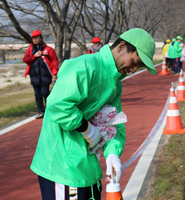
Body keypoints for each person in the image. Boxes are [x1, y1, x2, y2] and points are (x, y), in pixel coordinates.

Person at [30, 28, 156, 200]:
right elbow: (57, 105)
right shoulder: (85, 66)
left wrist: (112, 153)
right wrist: (86, 128)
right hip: (63, 167)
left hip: (88, 168)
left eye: (139, 67)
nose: (133, 70)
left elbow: (114, 123)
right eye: (134, 62)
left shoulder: (115, 84)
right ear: (121, 46)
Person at [23, 30, 59, 119]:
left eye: (36, 37)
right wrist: (34, 56)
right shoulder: (30, 50)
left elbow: (55, 61)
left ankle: (50, 109)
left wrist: (55, 74)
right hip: (34, 76)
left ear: (41, 38)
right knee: (37, 95)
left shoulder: (48, 49)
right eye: (33, 38)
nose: (35, 39)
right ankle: (41, 111)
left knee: (45, 92)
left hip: (45, 76)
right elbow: (25, 60)